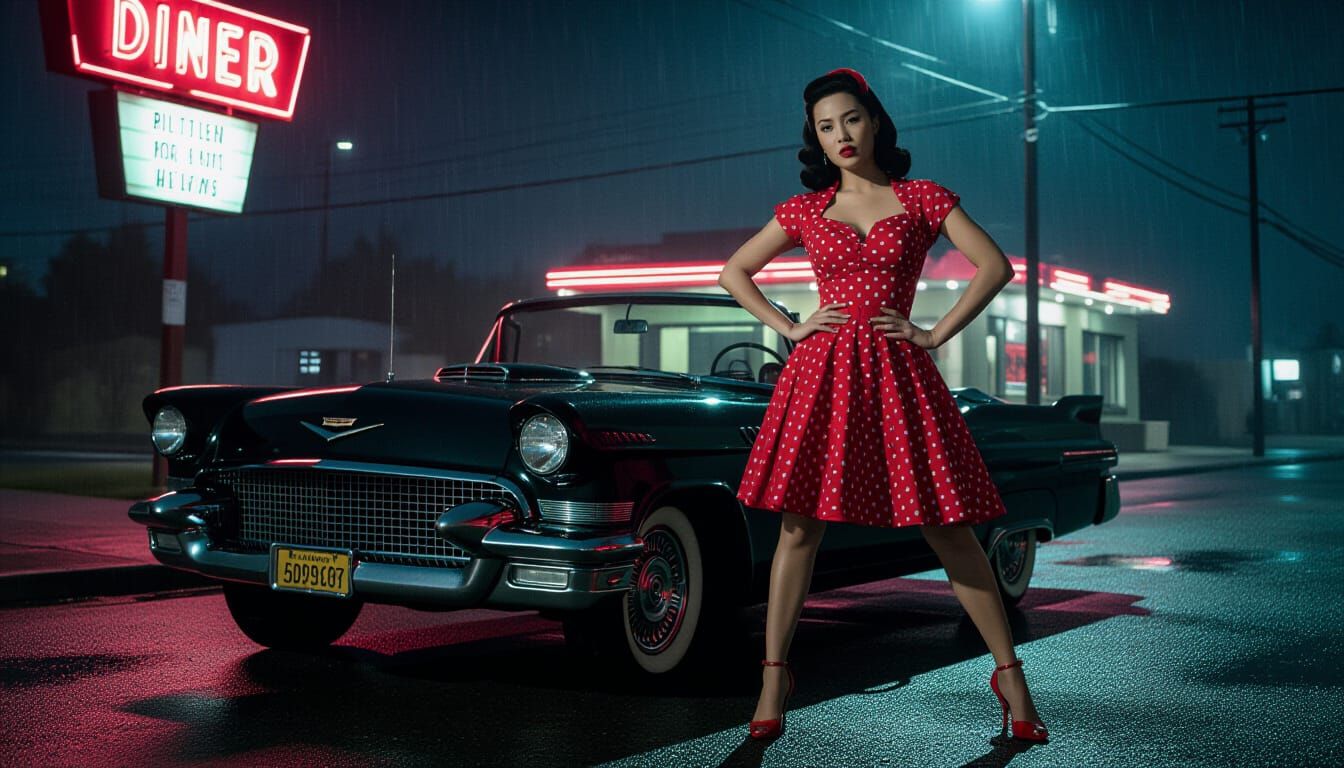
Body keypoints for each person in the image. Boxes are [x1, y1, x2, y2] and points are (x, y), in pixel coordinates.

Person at [716, 67, 1048, 744]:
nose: (840, 134)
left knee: (949, 528)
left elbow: (995, 266)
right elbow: (733, 272)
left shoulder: (922, 197)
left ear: (874, 122)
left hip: (899, 375)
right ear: (815, 138)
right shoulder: (805, 210)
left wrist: (934, 333)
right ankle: (774, 678)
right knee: (799, 530)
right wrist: (789, 326)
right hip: (822, 373)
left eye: (851, 119)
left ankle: (1011, 678)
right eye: (825, 126)